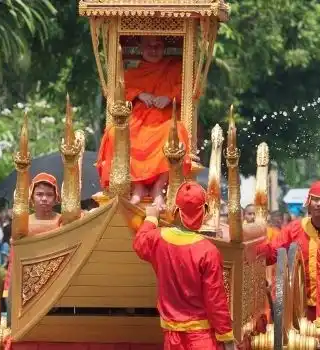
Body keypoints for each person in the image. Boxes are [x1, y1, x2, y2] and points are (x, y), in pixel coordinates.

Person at [135, 181, 234, 350]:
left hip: (172, 337)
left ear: (175, 211)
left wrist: (151, 218)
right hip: (201, 338)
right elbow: (215, 299)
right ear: (204, 212)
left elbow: (139, 242)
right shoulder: (208, 251)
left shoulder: (158, 239)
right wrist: (227, 337)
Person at [96, 36, 191, 209]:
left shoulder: (176, 69)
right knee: (114, 133)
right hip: (138, 120)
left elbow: (191, 88)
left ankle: (158, 188)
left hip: (165, 119)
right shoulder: (131, 74)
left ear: (164, 47)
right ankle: (137, 186)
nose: (153, 50)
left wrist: (169, 97)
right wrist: (139, 94)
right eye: (149, 45)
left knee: (177, 133)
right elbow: (117, 93)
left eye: (158, 45)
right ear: (140, 47)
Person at [258, 180, 320, 321]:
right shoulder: (294, 229)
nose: (319, 204)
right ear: (308, 202)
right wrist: (252, 249)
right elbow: (272, 253)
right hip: (301, 308)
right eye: (315, 199)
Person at [4, 173, 62, 298]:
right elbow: (15, 255)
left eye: (49, 195)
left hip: (57, 277)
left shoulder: (62, 221)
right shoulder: (24, 222)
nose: (44, 198)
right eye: (39, 194)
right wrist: (9, 286)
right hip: (27, 280)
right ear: (31, 197)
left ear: (56, 197)